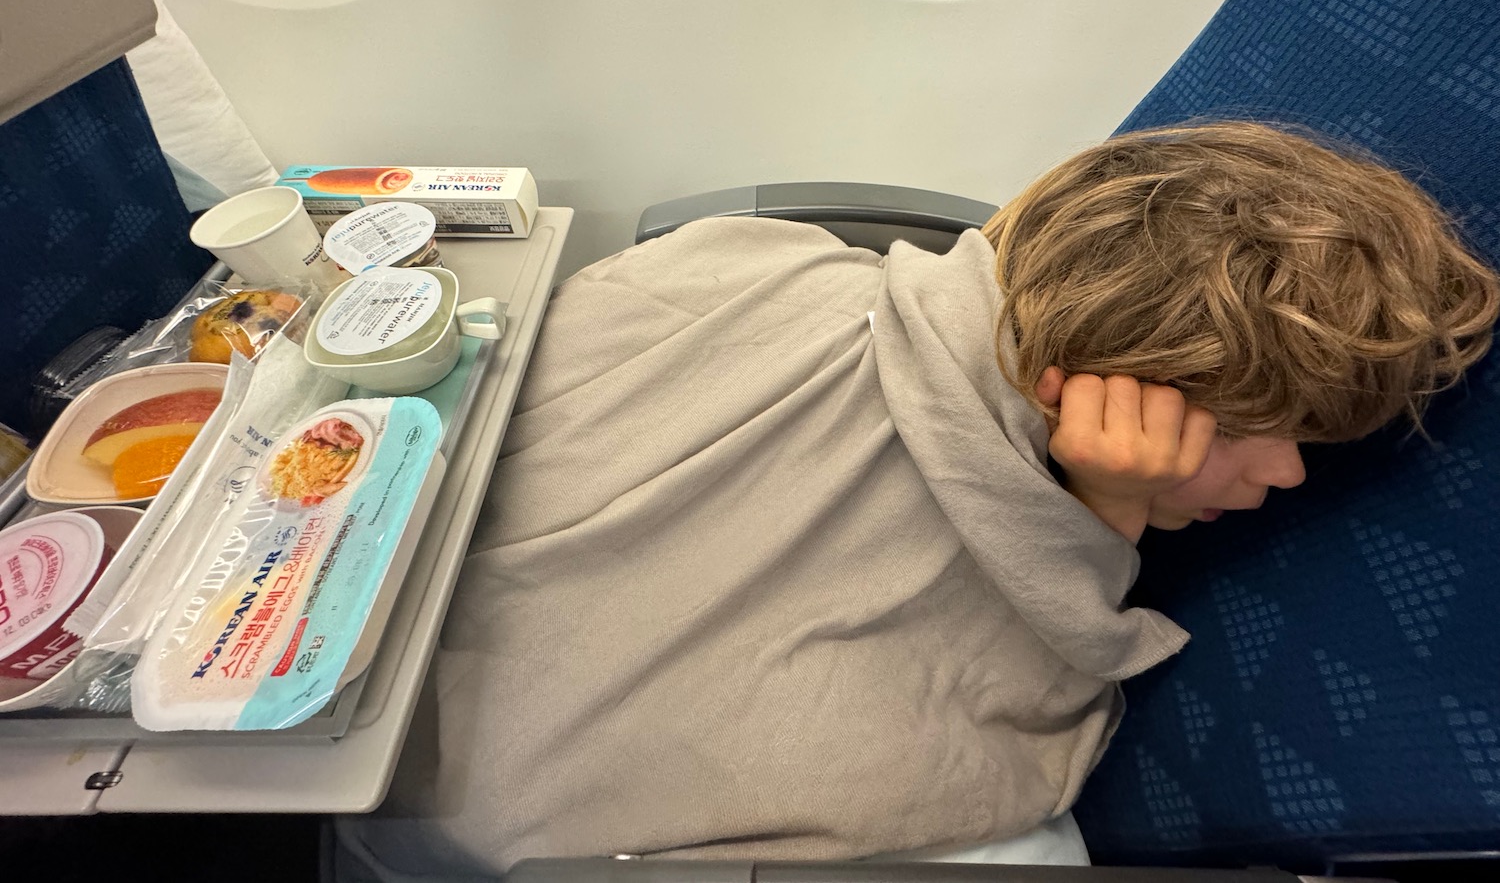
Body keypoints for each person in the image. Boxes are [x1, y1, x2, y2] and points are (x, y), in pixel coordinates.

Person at [334, 122, 1498, 879]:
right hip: (434, 811)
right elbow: (974, 738)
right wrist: (1105, 509)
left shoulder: (748, 249)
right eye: (1255, 434)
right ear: (1085, 394)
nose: (1290, 477)